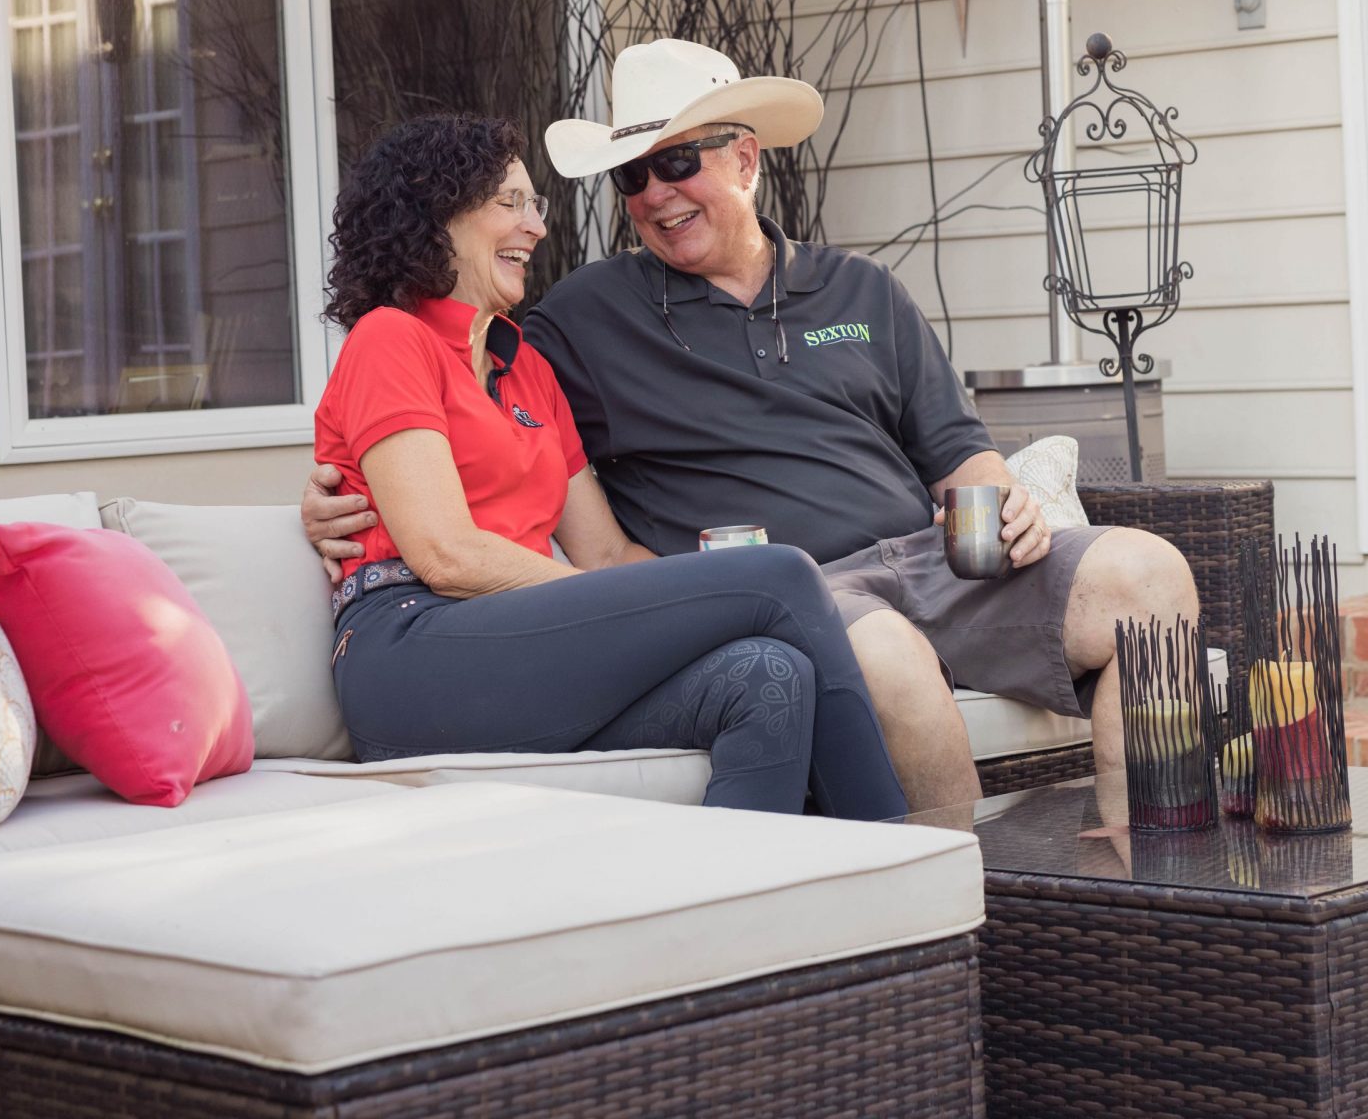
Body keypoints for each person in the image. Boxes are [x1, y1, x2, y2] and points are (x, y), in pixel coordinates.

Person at [306, 43, 1199, 811]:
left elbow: (956, 450)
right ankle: (954, 897)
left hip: (930, 563)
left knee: (1149, 574)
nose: (653, 194)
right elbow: (423, 441)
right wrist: (329, 493)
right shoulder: (577, 321)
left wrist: (1005, 503)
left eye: (676, 162)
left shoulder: (859, 291)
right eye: (632, 175)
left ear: (744, 159)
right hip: (794, 589)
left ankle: (1156, 877)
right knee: (849, 633)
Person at [311, 111, 906, 820]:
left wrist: (647, 598)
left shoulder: (526, 369)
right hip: (412, 652)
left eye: (535, 204)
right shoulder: (390, 339)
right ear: (438, 216)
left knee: (768, 676)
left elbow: (608, 554)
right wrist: (630, 603)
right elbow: (446, 554)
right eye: (510, 202)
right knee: (778, 574)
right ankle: (900, 853)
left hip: (522, 649)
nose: (536, 226)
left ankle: (747, 891)